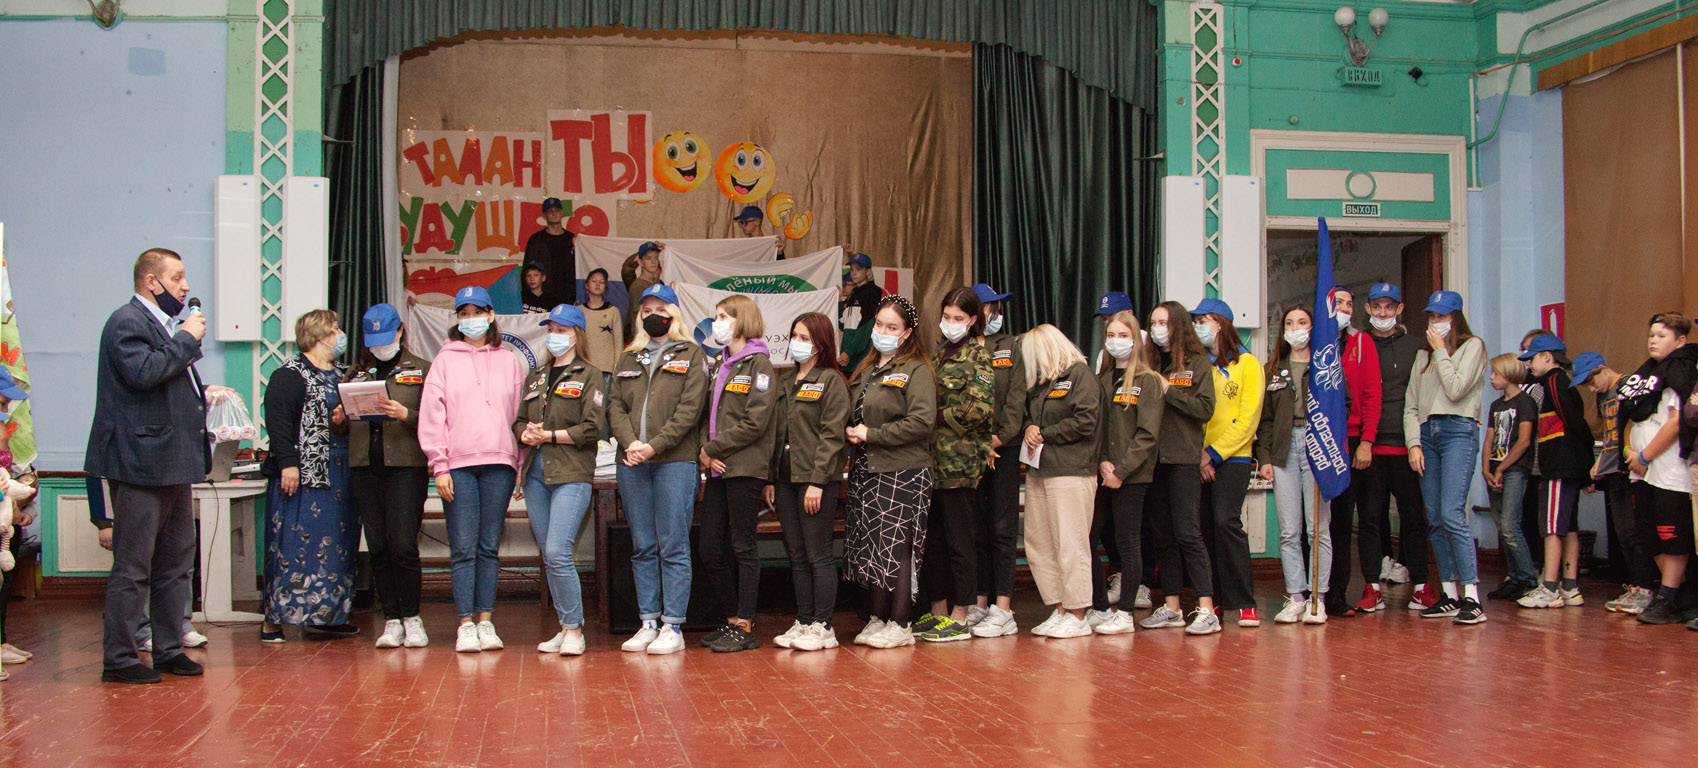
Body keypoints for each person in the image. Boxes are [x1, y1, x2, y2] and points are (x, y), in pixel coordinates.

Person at [88, 247, 225, 684]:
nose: (186, 287)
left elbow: (162, 385)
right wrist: (186, 339)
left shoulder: (164, 326)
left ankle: (168, 649)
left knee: (175, 563)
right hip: (139, 463)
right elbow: (142, 374)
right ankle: (120, 659)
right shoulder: (126, 322)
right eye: (177, 277)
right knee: (133, 567)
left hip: (174, 462)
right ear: (151, 281)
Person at [418, 286, 526, 653]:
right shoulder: (444, 361)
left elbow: (518, 416)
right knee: (463, 546)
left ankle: (485, 621)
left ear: (491, 315)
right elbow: (432, 416)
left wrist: (519, 464)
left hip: (500, 464)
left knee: (488, 547)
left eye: (477, 312)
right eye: (463, 313)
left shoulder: (509, 361)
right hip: (458, 467)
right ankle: (465, 623)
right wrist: (439, 465)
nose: (471, 319)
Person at [608, 284, 709, 655]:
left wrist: (654, 445)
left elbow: (690, 411)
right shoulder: (627, 357)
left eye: (660, 308)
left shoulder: (692, 354)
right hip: (632, 463)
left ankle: (673, 626)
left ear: (674, 314)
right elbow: (615, 407)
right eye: (646, 309)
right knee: (642, 546)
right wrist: (631, 444)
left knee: (673, 545)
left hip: (675, 462)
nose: (653, 314)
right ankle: (648, 621)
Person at [260, 310, 359, 643]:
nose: (341, 334)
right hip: (302, 473)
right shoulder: (289, 374)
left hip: (340, 472)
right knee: (291, 546)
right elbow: (278, 422)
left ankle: (328, 617)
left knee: (337, 545)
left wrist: (341, 420)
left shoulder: (344, 375)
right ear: (319, 335)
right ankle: (274, 621)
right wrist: (287, 463)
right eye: (335, 328)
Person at [844, 296, 937, 649]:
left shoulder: (916, 370)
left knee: (898, 547)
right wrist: (851, 430)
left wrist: (873, 434)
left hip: (905, 469)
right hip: (867, 469)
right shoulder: (866, 368)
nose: (883, 331)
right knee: (872, 546)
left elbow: (922, 422)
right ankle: (878, 617)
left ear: (907, 332)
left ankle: (900, 623)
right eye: (879, 325)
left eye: (892, 327)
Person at [516, 304, 605, 656]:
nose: (554, 335)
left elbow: (592, 428)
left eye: (561, 329)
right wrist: (525, 433)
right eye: (550, 329)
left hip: (571, 473)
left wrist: (549, 436)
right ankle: (565, 625)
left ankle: (575, 630)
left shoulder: (590, 374)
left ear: (576, 334)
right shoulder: (536, 375)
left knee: (557, 551)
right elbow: (518, 420)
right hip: (536, 473)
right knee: (549, 555)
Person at [347, 304, 432, 649]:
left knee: (402, 544)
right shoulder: (356, 373)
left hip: (405, 467)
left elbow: (434, 419)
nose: (380, 347)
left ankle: (412, 617)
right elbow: (341, 427)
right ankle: (392, 619)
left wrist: (405, 413)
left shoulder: (422, 369)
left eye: (386, 338)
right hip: (364, 466)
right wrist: (338, 419)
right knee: (378, 545)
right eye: (374, 341)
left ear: (399, 332)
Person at [698, 295, 778, 654]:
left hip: (744, 467)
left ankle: (745, 624)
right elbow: (707, 416)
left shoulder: (759, 365)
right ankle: (732, 618)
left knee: (743, 545)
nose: (717, 323)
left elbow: (755, 422)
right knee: (710, 546)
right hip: (717, 468)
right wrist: (705, 450)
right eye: (716, 316)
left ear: (742, 320)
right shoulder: (720, 363)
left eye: (723, 316)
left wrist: (714, 448)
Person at [914, 288, 994, 643]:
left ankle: (961, 615)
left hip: (959, 465)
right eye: (946, 317)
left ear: (973, 320)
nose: (950, 323)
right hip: (930, 463)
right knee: (933, 542)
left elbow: (978, 410)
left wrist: (934, 417)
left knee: (960, 542)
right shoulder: (938, 352)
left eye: (958, 318)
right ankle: (938, 611)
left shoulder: (978, 356)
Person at [766, 312, 849, 652]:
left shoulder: (831, 380)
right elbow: (776, 433)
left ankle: (823, 626)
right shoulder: (785, 381)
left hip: (816, 480)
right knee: (797, 554)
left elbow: (832, 436)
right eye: (794, 336)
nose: (796, 343)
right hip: (785, 477)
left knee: (818, 554)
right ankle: (803, 621)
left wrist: (817, 482)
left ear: (821, 343)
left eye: (805, 338)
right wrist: (771, 479)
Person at [1403, 290, 1488, 625]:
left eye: (1441, 316)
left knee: (1453, 514)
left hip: (1458, 430)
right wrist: (1413, 444)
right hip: (1427, 434)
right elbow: (1411, 405)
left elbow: (1455, 388)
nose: (1435, 322)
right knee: (1436, 518)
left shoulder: (1472, 346)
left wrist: (1441, 351)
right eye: (1431, 316)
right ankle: (1449, 594)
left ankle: (1472, 597)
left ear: (1455, 318)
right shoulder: (1422, 357)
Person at [1014, 324, 1103, 639]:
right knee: (1039, 543)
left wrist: (1046, 433)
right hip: (1040, 471)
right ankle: (1060, 607)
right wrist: (1029, 427)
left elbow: (1086, 421)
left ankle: (1078, 613)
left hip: (1071, 471)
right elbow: (1030, 416)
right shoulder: (1043, 384)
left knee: (1070, 543)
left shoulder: (1080, 376)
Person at [1139, 300, 1221, 635]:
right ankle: (1172, 606)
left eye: (1164, 322)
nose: (1158, 328)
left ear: (1178, 325)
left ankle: (1206, 608)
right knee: (1163, 535)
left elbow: (1204, 409)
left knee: (1188, 533)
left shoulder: (1197, 363)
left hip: (1183, 459)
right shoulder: (1148, 362)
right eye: (1153, 323)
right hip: (1152, 460)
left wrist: (1169, 389)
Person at [1356, 283, 1435, 615]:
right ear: (1368, 309)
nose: (1383, 313)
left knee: (1414, 518)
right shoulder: (1358, 345)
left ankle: (1421, 586)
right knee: (1370, 519)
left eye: (1389, 307)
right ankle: (1372, 587)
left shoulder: (1418, 347)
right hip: (1368, 447)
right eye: (1377, 307)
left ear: (1400, 309)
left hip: (1408, 446)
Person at [1615, 314, 1698, 623]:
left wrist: (1646, 456)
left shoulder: (1681, 370)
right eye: (1651, 334)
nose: (1653, 340)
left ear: (1680, 341)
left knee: (1672, 535)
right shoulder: (1645, 375)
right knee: (1647, 534)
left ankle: (1667, 597)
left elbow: (1676, 422)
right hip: (1640, 468)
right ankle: (1681, 595)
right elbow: (1629, 416)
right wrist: (1629, 451)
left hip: (1668, 469)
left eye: (1662, 335)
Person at [1192, 299, 1264, 629]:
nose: (1198, 327)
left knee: (1226, 522)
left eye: (1202, 321)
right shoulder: (1198, 365)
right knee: (1204, 528)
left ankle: (1245, 602)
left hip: (1233, 458)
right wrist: (1200, 456)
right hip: (1199, 459)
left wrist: (1213, 454)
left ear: (1220, 324)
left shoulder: (1247, 364)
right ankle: (1215, 600)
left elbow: (1248, 421)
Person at [1090, 310, 1164, 634]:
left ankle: (1125, 613)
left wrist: (1120, 471)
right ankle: (1100, 607)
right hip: (1103, 473)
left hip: (1132, 476)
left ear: (1136, 340)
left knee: (1128, 543)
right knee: (1089, 539)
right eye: (1111, 335)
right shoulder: (1102, 379)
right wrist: (1102, 462)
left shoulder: (1147, 380)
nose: (1116, 341)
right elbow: (1097, 429)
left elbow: (1147, 435)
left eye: (1123, 336)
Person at [1255, 305, 1329, 625]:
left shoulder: (1326, 366)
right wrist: (1266, 458)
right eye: (1289, 323)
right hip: (1285, 449)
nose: (1295, 328)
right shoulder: (1273, 369)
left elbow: (1342, 408)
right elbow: (1265, 420)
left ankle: (1318, 598)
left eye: (1302, 322)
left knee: (1318, 528)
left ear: (1312, 328)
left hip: (1318, 446)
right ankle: (1296, 596)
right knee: (1289, 530)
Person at [1513, 334, 1597, 610]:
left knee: (1551, 527)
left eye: (1533, 359)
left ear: (1547, 357)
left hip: (1559, 466)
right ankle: (1570, 586)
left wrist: (1584, 461)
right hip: (1569, 466)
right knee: (1569, 526)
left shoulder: (1553, 381)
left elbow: (1573, 421)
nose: (1530, 366)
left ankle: (1549, 587)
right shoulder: (1563, 382)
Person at [1576, 353, 1659, 614]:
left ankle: (1646, 588)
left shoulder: (1629, 385)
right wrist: (1599, 465)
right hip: (1612, 470)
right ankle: (1635, 586)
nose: (1591, 389)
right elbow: (1610, 436)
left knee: (1636, 532)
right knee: (1622, 533)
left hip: (1630, 468)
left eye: (1592, 382)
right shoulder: (1602, 397)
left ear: (1603, 369)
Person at [1316, 288, 1382, 616]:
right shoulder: (1314, 341)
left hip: (1352, 440)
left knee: (1343, 522)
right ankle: (1312, 592)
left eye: (1348, 304)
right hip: (1319, 437)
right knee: (1318, 522)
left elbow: (1371, 394)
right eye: (1337, 303)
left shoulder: (1361, 343)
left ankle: (1337, 595)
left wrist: (1367, 441)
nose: (1343, 308)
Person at [85, 475, 205, 654]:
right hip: (135, 482)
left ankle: (180, 624)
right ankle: (142, 631)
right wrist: (103, 523)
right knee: (138, 567)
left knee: (178, 563)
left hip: (173, 480)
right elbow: (95, 473)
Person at [969, 283, 1029, 637]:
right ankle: (979, 602)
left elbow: (1016, 398)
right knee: (976, 528)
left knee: (1002, 528)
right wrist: (979, 442)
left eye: (998, 308)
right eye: (990, 307)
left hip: (1003, 450)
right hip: (971, 452)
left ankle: (1003, 608)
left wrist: (998, 438)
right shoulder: (960, 347)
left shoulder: (1010, 346)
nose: (996, 314)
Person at [1481, 353, 1539, 601]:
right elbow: (1489, 439)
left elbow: (1524, 441)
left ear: (1510, 374)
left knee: (1510, 526)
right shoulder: (1496, 405)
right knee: (1501, 527)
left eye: (1496, 373)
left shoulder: (1525, 402)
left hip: (1514, 470)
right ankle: (1514, 578)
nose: (1492, 378)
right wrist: (1486, 469)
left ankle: (1527, 579)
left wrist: (1502, 468)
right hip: (1495, 470)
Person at [579, 267, 624, 387]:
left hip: (606, 369)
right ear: (587, 285)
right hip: (583, 368)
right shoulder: (579, 311)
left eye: (602, 281)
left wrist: (617, 369)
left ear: (606, 287)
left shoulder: (613, 311)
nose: (597, 284)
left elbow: (618, 343)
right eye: (594, 281)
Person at [838, 253, 883, 371]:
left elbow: (866, 327)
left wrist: (849, 352)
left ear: (868, 272)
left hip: (861, 360)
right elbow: (843, 324)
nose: (853, 273)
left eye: (858, 269)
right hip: (847, 358)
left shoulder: (871, 293)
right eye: (852, 269)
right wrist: (839, 302)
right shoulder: (853, 294)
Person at [524, 197, 577, 298]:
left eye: (557, 210)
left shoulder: (572, 239)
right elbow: (527, 271)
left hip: (567, 296)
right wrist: (529, 297)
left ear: (562, 212)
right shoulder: (536, 240)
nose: (554, 213)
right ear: (544, 215)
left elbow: (580, 268)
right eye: (550, 211)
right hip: (542, 297)